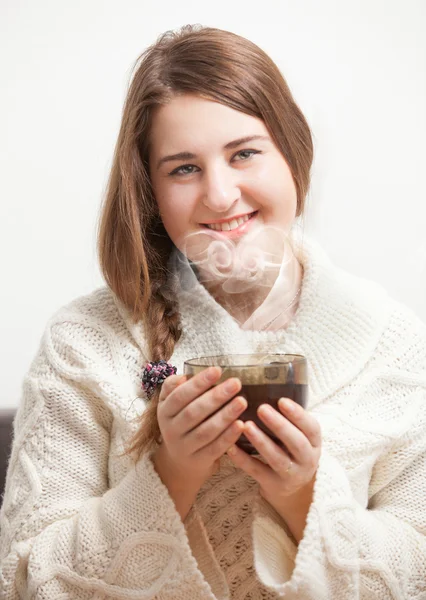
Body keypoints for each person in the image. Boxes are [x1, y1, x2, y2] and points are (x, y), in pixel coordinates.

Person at [1, 23, 425, 600]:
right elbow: (26, 580)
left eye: (245, 154)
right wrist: (172, 472)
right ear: (149, 189)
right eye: (183, 168)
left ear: (293, 152)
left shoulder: (393, 343)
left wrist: (304, 495)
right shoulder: (85, 342)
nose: (221, 195)